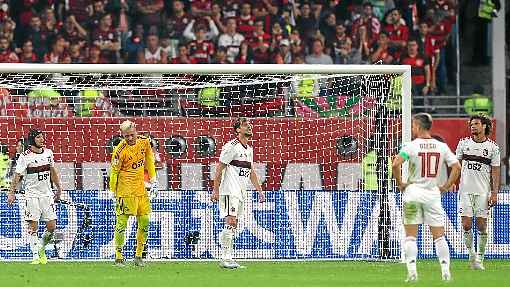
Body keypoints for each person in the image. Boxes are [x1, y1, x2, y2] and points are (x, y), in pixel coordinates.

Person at [392, 113, 461, 282]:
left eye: (413, 125)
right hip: (432, 195)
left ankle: (412, 271)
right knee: (438, 236)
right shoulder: (441, 147)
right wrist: (445, 186)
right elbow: (457, 166)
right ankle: (445, 271)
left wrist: (401, 183)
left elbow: (395, 164)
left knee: (410, 236)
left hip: (413, 193)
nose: (412, 128)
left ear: (418, 126)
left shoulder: (411, 146)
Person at [210, 117, 265, 269]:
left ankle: (227, 255)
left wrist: (259, 190)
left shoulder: (249, 149)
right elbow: (220, 168)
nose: (249, 127)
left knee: (233, 224)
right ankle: (225, 258)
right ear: (237, 130)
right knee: (231, 221)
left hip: (241, 192)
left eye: (250, 125)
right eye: (245, 125)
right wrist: (216, 189)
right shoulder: (231, 146)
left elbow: (251, 171)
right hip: (229, 190)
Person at [7, 129, 63, 265]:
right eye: (39, 137)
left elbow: (52, 171)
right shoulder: (25, 157)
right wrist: (11, 192)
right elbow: (17, 176)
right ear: (32, 140)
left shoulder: (49, 153)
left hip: (47, 195)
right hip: (31, 195)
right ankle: (35, 256)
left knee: (51, 226)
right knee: (33, 226)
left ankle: (41, 248)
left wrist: (59, 188)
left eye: (42, 137)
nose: (42, 139)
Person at [109, 120, 157, 267]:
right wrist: (113, 192)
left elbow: (149, 158)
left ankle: (138, 255)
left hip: (140, 189)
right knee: (122, 223)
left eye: (131, 135)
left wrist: (153, 178)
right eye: (126, 136)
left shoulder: (145, 142)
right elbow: (114, 173)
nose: (129, 138)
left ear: (136, 130)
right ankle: (118, 256)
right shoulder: (119, 151)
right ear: (122, 135)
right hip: (125, 191)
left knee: (145, 222)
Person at [455, 114, 500, 270]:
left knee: (481, 226)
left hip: (483, 192)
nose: (472, 126)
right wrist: (451, 182)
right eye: (471, 124)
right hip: (465, 191)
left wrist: (494, 193)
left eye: (475, 124)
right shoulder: (463, 144)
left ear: (484, 126)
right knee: (466, 225)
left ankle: (480, 257)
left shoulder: (493, 148)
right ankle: (471, 255)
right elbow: (456, 166)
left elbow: (495, 171)